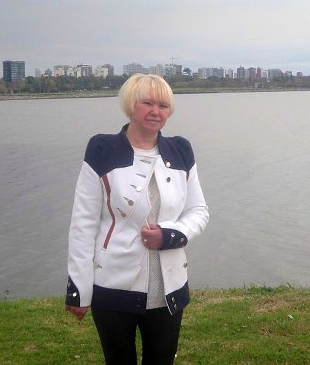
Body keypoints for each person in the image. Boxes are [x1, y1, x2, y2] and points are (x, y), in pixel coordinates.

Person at [65, 73, 209, 364]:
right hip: (112, 286)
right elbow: (83, 224)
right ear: (131, 105)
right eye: (147, 103)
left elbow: (198, 211)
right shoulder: (102, 149)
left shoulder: (181, 150)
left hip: (168, 289)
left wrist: (170, 236)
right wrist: (79, 289)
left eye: (163, 106)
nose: (156, 111)